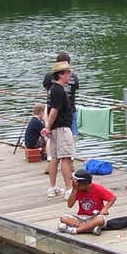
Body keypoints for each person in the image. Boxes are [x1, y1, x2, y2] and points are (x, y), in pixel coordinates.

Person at [43, 61, 76, 197]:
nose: (70, 75)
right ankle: (69, 189)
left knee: (54, 157)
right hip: (62, 128)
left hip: (55, 128)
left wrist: (48, 126)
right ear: (61, 75)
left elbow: (49, 108)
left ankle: (52, 187)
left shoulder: (52, 89)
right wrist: (48, 126)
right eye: (68, 73)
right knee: (66, 158)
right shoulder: (59, 90)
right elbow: (54, 110)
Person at [58, 168, 114, 235]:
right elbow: (70, 205)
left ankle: (76, 230)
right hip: (81, 217)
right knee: (64, 218)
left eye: (77, 184)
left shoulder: (98, 188)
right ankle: (90, 229)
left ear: (85, 184)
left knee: (101, 220)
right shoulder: (77, 190)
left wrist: (105, 208)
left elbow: (112, 198)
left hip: (94, 217)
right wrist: (74, 190)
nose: (75, 185)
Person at [42, 52, 78, 136]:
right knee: (71, 136)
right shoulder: (74, 77)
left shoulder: (49, 76)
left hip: (51, 109)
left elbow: (46, 87)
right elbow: (75, 89)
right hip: (69, 110)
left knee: (49, 136)